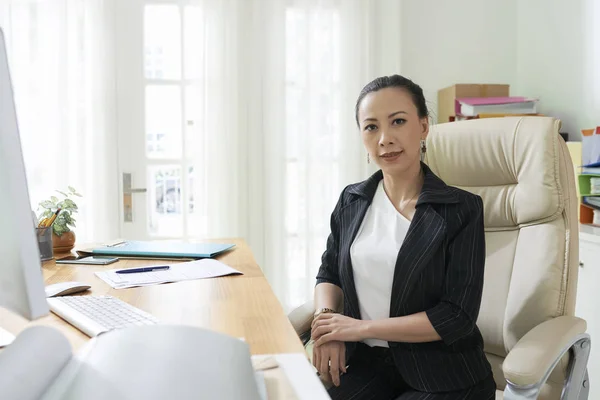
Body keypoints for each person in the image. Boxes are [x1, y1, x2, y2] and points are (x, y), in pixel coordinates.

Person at [311, 75, 496, 399]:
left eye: (398, 121)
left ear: (423, 127)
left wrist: (358, 328)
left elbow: (456, 317)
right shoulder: (352, 201)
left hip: (445, 372)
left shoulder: (461, 209)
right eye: (371, 127)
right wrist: (328, 325)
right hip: (369, 365)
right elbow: (330, 273)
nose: (385, 138)